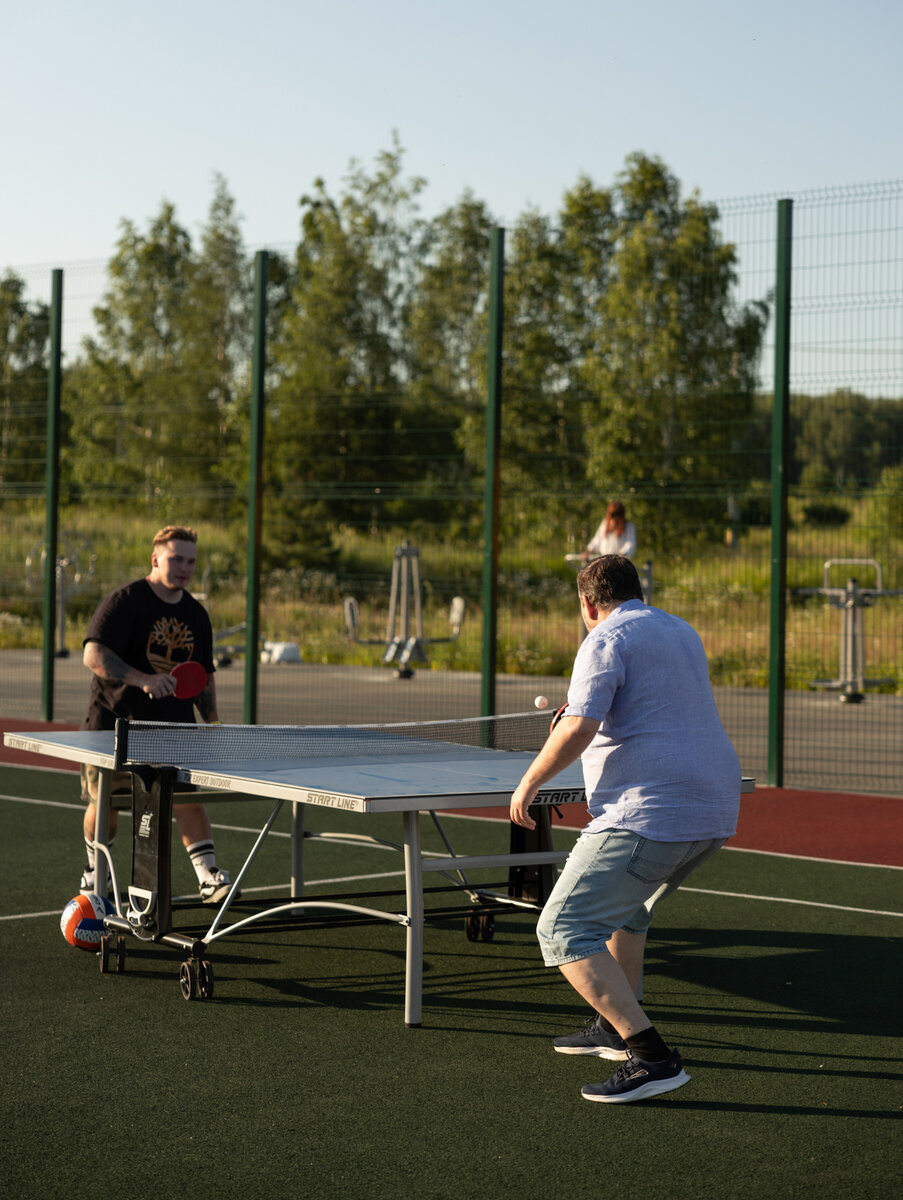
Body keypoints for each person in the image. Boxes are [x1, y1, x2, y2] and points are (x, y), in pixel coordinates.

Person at [510, 555, 741, 1103]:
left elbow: (582, 726)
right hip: (714, 811)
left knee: (562, 930)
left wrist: (529, 783)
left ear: (588, 603)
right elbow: (645, 708)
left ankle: (651, 1057)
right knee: (627, 910)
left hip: (648, 814)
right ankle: (612, 1028)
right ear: (638, 591)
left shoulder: (604, 638)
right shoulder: (681, 631)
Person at [79, 525, 234, 904]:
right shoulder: (124, 600)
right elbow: (93, 655)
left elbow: (204, 675)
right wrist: (142, 679)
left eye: (191, 561)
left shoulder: (196, 613)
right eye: (176, 558)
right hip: (116, 727)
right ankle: (95, 871)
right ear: (156, 559)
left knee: (187, 799)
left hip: (173, 729)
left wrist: (213, 725)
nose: (185, 568)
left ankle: (208, 876)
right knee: (105, 805)